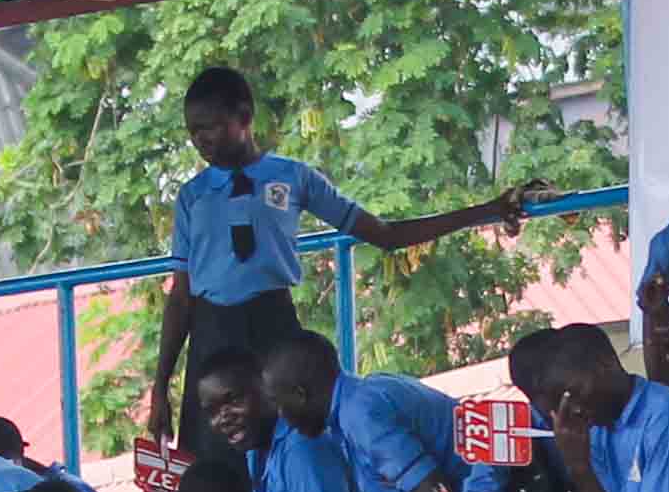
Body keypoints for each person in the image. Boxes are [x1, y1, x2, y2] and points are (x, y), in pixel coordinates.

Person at [150, 66, 527, 435]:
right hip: (212, 334)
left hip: (274, 326)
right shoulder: (192, 197)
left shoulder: (293, 177)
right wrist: (160, 386)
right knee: (215, 448)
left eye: (210, 127)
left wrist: (486, 211)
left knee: (292, 435)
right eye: (193, 131)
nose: (200, 140)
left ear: (245, 117)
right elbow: (181, 297)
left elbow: (384, 234)